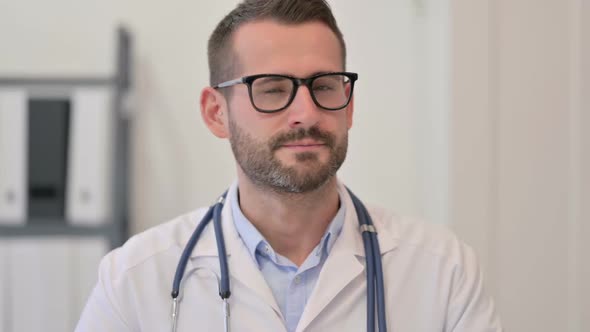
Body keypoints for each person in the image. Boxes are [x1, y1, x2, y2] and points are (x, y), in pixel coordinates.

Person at [76, 0, 502, 331]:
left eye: (324, 86)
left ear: (349, 106)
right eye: (273, 89)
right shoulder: (134, 280)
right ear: (215, 113)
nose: (306, 112)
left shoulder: (442, 271)